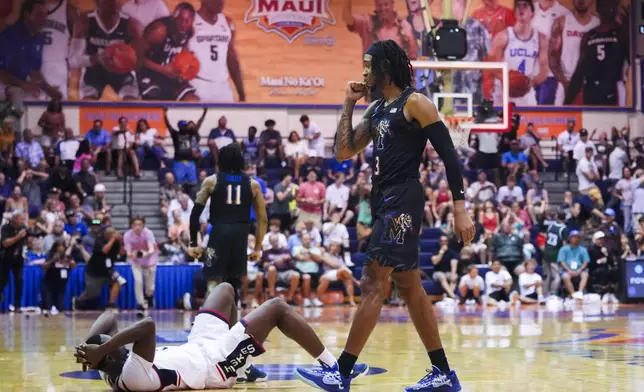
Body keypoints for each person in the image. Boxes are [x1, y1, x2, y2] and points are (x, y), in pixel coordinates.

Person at [295, 39, 475, 392]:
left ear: (385, 68)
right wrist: (348, 102)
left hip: (402, 198)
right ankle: (443, 374)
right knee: (410, 287)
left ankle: (342, 371)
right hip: (383, 198)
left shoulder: (416, 103)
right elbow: (344, 150)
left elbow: (449, 156)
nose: (364, 71)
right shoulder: (376, 109)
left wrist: (459, 207)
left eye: (368, 65)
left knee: (373, 281)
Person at [73, 283, 368, 390]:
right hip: (215, 365)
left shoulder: (109, 369)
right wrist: (105, 346)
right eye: (113, 347)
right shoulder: (132, 378)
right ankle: (334, 367)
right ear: (111, 356)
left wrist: (90, 347)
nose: (119, 345)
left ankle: (245, 363)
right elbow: (147, 325)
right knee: (276, 307)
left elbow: (110, 316)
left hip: (199, 345)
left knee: (225, 289)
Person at [188, 144, 267, 305]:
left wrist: (193, 243)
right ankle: (231, 326)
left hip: (218, 234)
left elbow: (195, 213)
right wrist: (257, 248)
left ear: (220, 161)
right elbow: (263, 219)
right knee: (234, 286)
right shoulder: (253, 184)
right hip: (240, 236)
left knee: (212, 282)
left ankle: (210, 323)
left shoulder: (211, 181)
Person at [69, 0, 143, 100]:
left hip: (122, 75)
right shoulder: (85, 20)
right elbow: (73, 60)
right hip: (93, 73)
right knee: (88, 105)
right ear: (98, 2)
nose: (114, 2)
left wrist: (128, 60)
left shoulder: (131, 24)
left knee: (132, 104)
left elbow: (141, 60)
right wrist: (98, 59)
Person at [0, 0, 62, 112]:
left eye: (45, 14)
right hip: (4, 84)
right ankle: (12, 129)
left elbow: (35, 72)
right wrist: (24, 85)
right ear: (27, 15)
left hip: (20, 85)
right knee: (17, 98)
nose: (44, 18)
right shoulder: (10, 36)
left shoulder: (37, 39)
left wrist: (49, 89)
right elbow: (2, 73)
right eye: (39, 14)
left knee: (44, 101)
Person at [566, 0, 628, 106]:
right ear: (599, 10)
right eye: (604, 6)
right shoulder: (589, 36)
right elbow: (580, 71)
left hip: (612, 88)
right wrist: (568, 100)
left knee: (614, 121)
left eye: (610, 6)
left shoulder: (622, 34)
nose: (608, 9)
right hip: (593, 88)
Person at [488, 0, 548, 106]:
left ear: (532, 14)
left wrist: (530, 82)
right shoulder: (502, 37)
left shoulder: (541, 38)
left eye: (525, 5)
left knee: (529, 122)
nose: (521, 8)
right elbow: (491, 67)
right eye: (518, 6)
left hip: (526, 91)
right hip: (503, 91)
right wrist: (507, 80)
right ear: (514, 13)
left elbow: (544, 70)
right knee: (502, 122)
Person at [139, 2, 198, 101]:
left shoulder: (189, 32)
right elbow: (137, 56)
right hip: (150, 75)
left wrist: (185, 70)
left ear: (192, 21)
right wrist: (163, 69)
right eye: (179, 19)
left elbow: (182, 55)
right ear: (173, 18)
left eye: (187, 21)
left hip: (170, 77)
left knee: (192, 100)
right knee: (156, 100)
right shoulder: (159, 30)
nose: (183, 24)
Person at [188, 0, 244, 102]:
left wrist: (241, 93)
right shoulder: (190, 22)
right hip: (197, 84)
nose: (221, 2)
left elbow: (232, 60)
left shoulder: (227, 22)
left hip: (222, 86)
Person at [549, 0, 599, 106]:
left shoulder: (598, 23)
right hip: (566, 81)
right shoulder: (561, 22)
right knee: (561, 120)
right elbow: (553, 56)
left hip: (590, 84)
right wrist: (565, 83)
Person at [165, 108, 206, 185]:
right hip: (179, 162)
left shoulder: (190, 134)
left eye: (185, 126)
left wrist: (204, 112)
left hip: (190, 162)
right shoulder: (175, 134)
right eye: (182, 126)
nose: (184, 127)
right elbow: (168, 125)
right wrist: (165, 114)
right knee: (178, 183)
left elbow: (198, 125)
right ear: (179, 127)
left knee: (193, 183)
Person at [124, 216, 158, 311]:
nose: (137, 227)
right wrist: (133, 255)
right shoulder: (127, 235)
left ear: (143, 225)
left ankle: (149, 296)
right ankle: (141, 303)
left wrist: (144, 253)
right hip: (136, 262)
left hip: (150, 260)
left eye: (140, 225)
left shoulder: (148, 233)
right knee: (138, 281)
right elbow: (128, 252)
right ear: (131, 225)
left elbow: (151, 249)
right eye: (135, 225)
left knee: (150, 287)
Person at [0, 212, 28, 312]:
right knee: (3, 280)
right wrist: (19, 237)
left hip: (18, 259)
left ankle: (17, 306)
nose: (23, 221)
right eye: (21, 219)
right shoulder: (6, 228)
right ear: (14, 219)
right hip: (5, 258)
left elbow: (29, 238)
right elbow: (5, 243)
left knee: (19, 280)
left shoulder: (24, 227)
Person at [41, 239, 76, 316]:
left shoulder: (67, 256)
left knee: (61, 308)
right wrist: (53, 260)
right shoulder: (51, 255)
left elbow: (73, 265)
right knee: (48, 307)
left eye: (63, 246)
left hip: (61, 286)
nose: (61, 248)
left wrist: (69, 261)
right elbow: (44, 267)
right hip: (50, 285)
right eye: (59, 246)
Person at [558, 230, 590, 300]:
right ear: (570, 238)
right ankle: (573, 294)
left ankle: (580, 292)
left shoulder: (583, 249)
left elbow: (586, 261)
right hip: (567, 270)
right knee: (565, 276)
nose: (576, 239)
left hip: (580, 269)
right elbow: (561, 261)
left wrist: (579, 270)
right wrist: (569, 270)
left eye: (577, 237)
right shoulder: (563, 249)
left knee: (585, 275)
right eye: (574, 237)